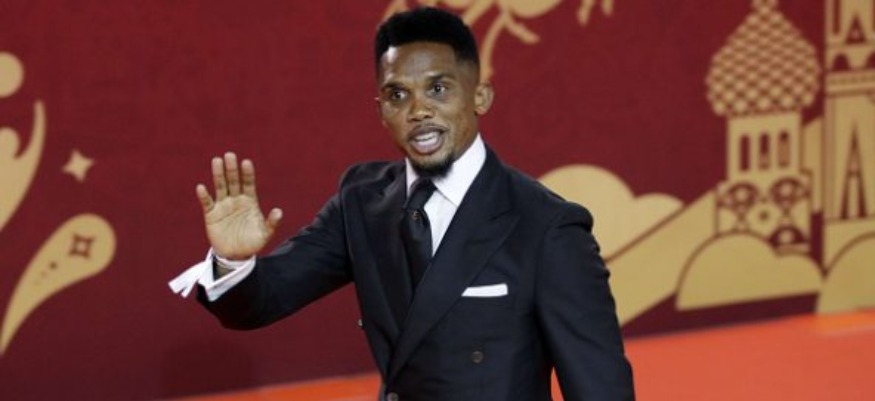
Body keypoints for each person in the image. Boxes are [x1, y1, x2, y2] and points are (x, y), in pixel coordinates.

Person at [170, 6, 634, 400]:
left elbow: (599, 389)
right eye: (398, 95)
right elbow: (260, 303)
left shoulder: (547, 227)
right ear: (380, 111)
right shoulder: (361, 202)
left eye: (438, 89)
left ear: (480, 96)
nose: (418, 111)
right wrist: (232, 260)